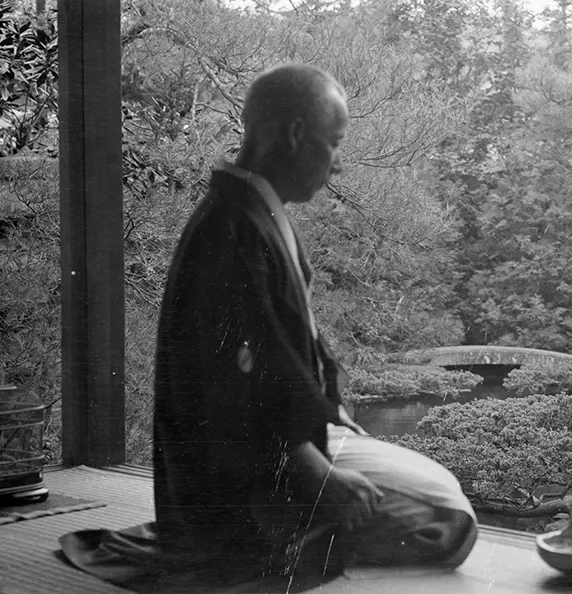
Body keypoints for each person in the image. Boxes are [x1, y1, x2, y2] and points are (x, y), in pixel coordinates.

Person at [60, 64, 476, 589]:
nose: (337, 163)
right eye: (335, 142)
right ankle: (278, 538)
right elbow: (231, 392)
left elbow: (282, 361)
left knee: (442, 487)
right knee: (449, 523)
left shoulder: (250, 211)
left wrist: (334, 418)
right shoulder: (233, 232)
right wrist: (322, 479)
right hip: (242, 479)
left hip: (284, 444)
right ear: (296, 134)